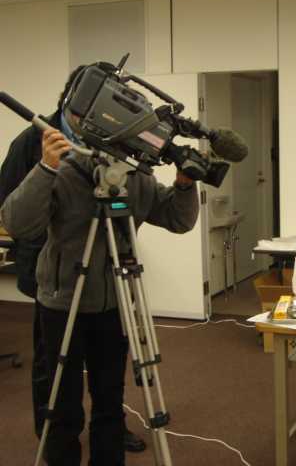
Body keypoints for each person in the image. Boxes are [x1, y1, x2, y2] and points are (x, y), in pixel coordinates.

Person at [0, 82, 199, 465]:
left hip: (114, 302)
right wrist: (45, 168)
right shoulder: (64, 168)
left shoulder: (134, 178)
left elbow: (177, 218)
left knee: (110, 399)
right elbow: (16, 222)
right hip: (63, 301)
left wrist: (184, 184)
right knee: (62, 402)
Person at [0, 67, 148, 454]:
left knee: (106, 370)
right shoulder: (32, 141)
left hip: (104, 273)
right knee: (53, 367)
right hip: (49, 271)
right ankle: (49, 433)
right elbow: (11, 209)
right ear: (76, 99)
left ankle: (111, 430)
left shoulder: (109, 142)